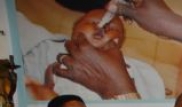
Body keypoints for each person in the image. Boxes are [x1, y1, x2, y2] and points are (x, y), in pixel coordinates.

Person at [20, 8, 165, 100]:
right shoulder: (49, 48)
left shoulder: (133, 67)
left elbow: (149, 91)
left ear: (119, 42)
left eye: (111, 27)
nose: (102, 26)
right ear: (74, 31)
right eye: (92, 23)